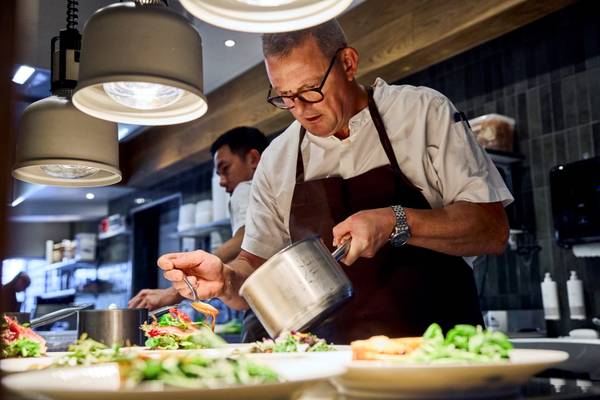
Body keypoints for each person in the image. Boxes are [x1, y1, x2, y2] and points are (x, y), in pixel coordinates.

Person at [159, 20, 513, 344]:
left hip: (441, 359)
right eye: (284, 96)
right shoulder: (278, 159)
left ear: (347, 63)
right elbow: (253, 272)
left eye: (311, 89)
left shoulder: (421, 112)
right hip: (331, 369)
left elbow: (491, 229)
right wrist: (224, 279)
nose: (299, 109)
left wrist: (394, 220)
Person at [129, 127, 269, 340]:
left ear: (253, 158)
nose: (222, 181)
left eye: (226, 168)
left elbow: (246, 238)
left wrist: (173, 292)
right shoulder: (278, 190)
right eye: (219, 173)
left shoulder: (245, 188)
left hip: (264, 311)